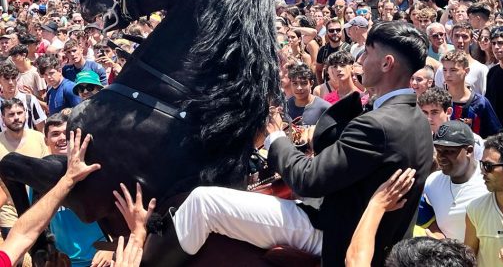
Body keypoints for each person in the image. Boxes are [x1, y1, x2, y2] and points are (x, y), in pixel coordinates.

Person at [142, 21, 433, 267]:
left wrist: (275, 136)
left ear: (386, 63)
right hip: (371, 237)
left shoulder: (378, 124)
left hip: (334, 235)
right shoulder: (416, 119)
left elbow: (308, 179)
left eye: (367, 54)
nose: (360, 61)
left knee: (203, 203)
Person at [41, 113, 114, 267]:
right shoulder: (39, 180)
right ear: (45, 140)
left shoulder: (97, 172)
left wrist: (111, 248)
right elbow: (40, 224)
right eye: (54, 134)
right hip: (65, 262)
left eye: (66, 133)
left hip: (100, 261)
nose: (61, 138)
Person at [423, 120, 488, 241]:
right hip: (449, 258)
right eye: (439, 150)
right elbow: (424, 213)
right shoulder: (432, 182)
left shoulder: (488, 183)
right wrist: (438, 235)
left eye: (449, 151)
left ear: (469, 151)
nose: (441, 157)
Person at [465, 133, 503, 266]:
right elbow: (467, 259)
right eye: (482, 165)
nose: (482, 172)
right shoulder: (476, 209)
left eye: (489, 166)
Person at [0, 98, 48, 239]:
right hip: (10, 215)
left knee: (43, 258)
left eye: (19, 113)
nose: (16, 118)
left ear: (26, 114)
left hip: (40, 212)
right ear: (3, 118)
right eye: (11, 114)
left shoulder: (39, 138)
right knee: (16, 260)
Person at [441, 50, 502, 138]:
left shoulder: (480, 102)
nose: (447, 74)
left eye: (453, 70)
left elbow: (495, 135)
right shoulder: (438, 100)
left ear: (466, 71)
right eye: (444, 70)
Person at [0, 62, 46, 133]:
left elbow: (42, 130)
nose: (10, 82)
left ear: (17, 79)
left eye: (13, 78)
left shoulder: (29, 100)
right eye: (6, 79)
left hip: (28, 142)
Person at [315, 18, 343, 85]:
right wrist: (321, 86)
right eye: (331, 30)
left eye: (338, 30)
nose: (335, 33)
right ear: (327, 32)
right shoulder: (323, 50)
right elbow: (318, 70)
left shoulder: (348, 48)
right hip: (328, 89)